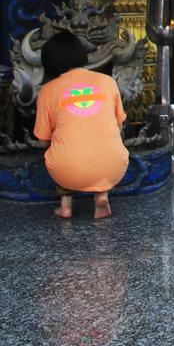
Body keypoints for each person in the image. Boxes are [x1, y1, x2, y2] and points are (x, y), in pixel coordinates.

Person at [33, 30, 129, 220]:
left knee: (58, 148)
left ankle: (65, 206)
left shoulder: (48, 91)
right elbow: (119, 125)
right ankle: (102, 196)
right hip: (113, 166)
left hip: (68, 169)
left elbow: (43, 141)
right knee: (101, 144)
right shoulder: (107, 81)